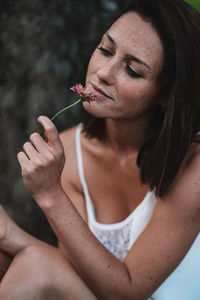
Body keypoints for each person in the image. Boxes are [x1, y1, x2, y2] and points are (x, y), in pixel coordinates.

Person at [0, 0, 200, 299]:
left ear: (167, 94)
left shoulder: (193, 167)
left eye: (132, 70)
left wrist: (49, 194)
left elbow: (127, 292)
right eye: (105, 50)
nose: (103, 72)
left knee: (33, 266)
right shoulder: (69, 151)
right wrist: (8, 234)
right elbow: (78, 271)